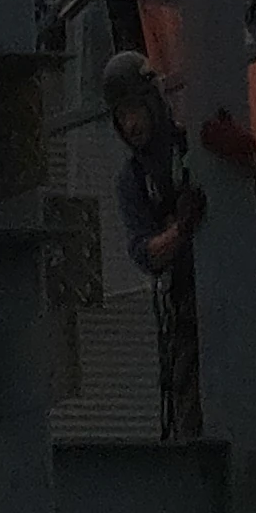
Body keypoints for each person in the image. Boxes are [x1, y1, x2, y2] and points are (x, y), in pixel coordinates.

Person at [101, 57, 206, 441]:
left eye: (134, 110)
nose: (130, 124)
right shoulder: (132, 180)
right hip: (182, 307)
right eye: (121, 115)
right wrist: (182, 228)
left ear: (153, 101)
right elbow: (145, 253)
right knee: (188, 416)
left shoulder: (194, 143)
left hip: (225, 296)